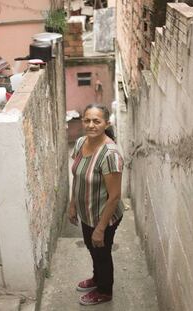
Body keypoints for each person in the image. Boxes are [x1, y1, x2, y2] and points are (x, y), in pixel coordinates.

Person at [69, 103, 124, 306]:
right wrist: (72, 204)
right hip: (87, 213)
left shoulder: (110, 155)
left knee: (101, 252)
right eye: (87, 120)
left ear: (106, 123)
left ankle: (104, 290)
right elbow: (77, 176)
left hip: (104, 216)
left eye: (96, 121)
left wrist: (100, 229)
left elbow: (115, 196)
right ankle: (97, 278)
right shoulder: (81, 142)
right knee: (93, 249)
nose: (91, 125)